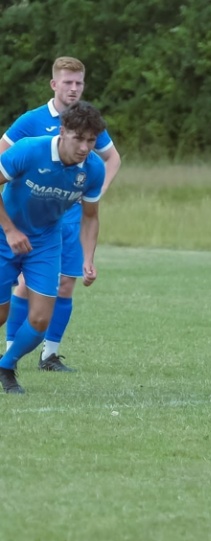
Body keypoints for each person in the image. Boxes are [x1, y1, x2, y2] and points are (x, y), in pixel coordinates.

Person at [0, 56, 122, 373]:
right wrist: (11, 223)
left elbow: (110, 162)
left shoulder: (89, 134)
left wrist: (92, 194)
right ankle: (13, 343)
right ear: (54, 84)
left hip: (55, 225)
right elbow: (4, 154)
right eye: (68, 82)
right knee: (9, 301)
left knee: (61, 288)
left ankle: (27, 359)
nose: (85, 147)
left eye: (79, 82)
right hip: (10, 223)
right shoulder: (31, 132)